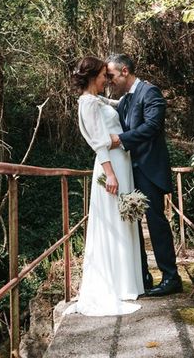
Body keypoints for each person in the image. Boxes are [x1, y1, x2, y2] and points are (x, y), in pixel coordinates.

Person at [65, 56, 144, 317]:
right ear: (91, 77)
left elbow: (121, 102)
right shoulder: (87, 103)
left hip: (121, 162)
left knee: (123, 221)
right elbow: (99, 142)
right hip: (110, 167)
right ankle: (116, 285)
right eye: (102, 76)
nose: (106, 80)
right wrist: (110, 175)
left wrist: (136, 85)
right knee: (113, 220)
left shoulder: (97, 100)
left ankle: (125, 283)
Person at [105, 54, 182, 297]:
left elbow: (151, 127)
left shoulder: (150, 93)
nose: (109, 81)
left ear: (124, 71)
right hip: (131, 170)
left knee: (156, 223)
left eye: (111, 76)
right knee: (132, 223)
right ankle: (142, 275)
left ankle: (171, 277)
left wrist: (120, 140)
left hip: (149, 169)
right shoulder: (126, 100)